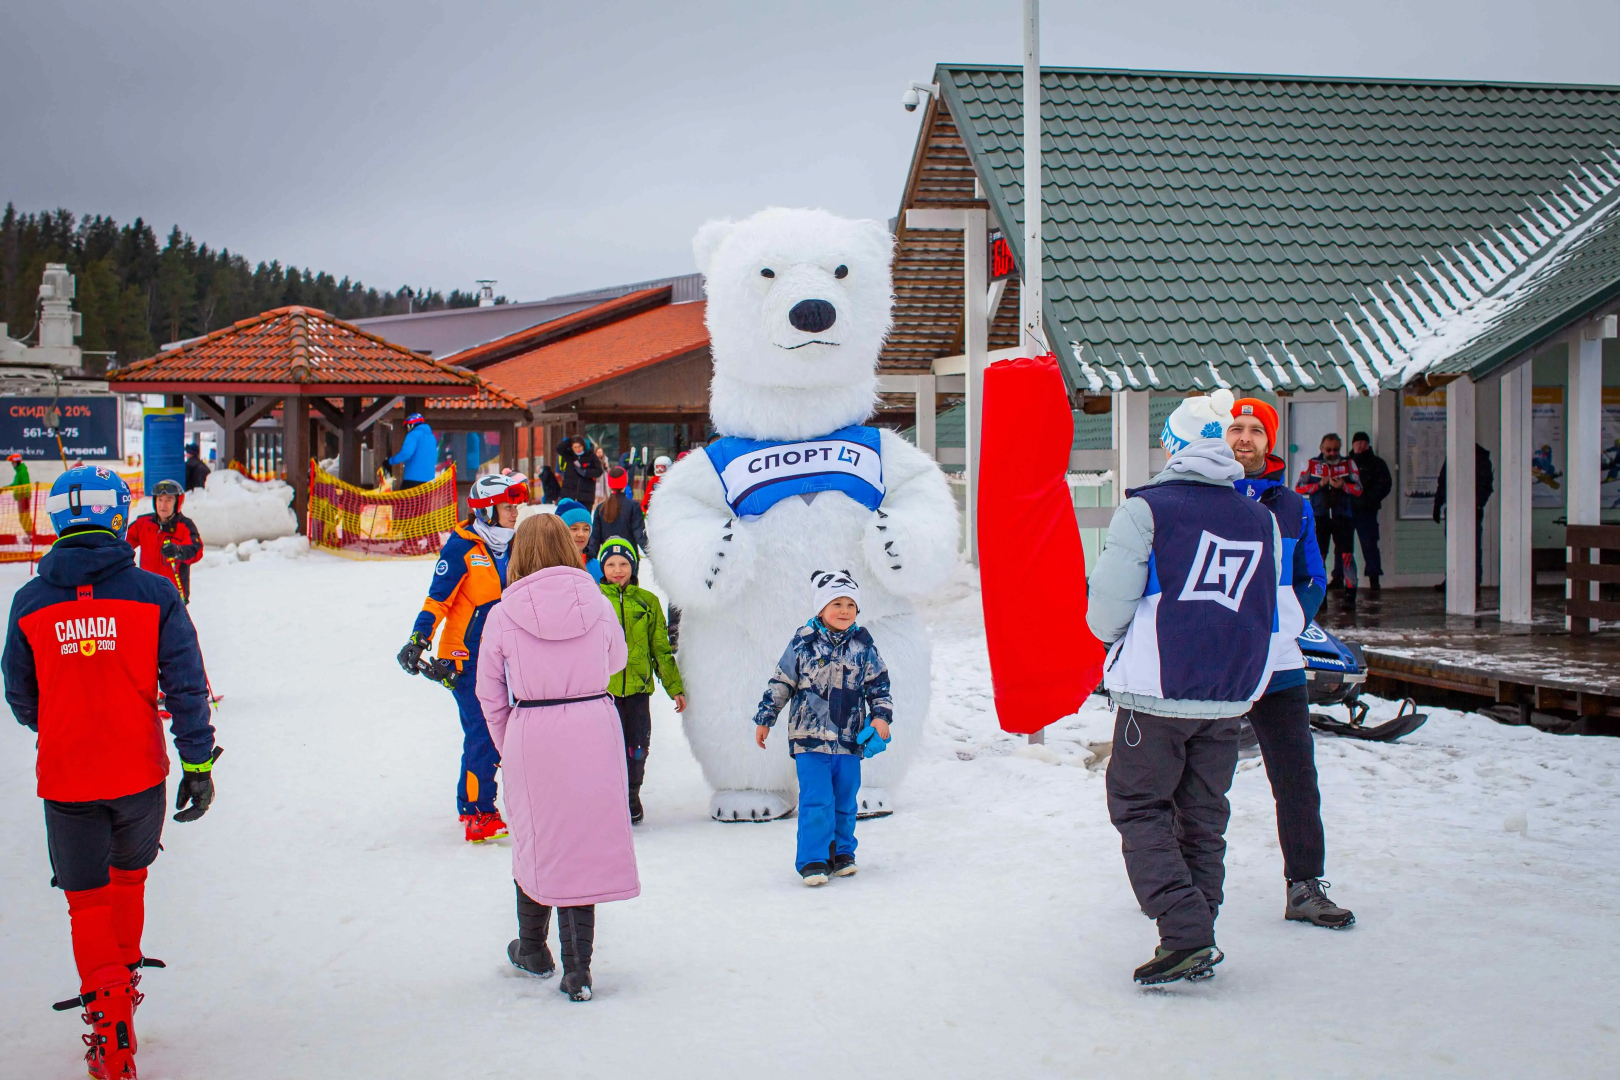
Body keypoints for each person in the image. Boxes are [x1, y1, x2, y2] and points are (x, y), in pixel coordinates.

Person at [3, 465, 217, 1080]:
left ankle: (109, 1027)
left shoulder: (29, 602)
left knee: (87, 903)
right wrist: (198, 764)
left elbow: (20, 694)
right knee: (128, 883)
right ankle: (122, 999)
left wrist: (63, 721)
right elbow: (187, 686)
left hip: (67, 775)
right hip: (138, 772)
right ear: (119, 516)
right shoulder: (154, 593)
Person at [1086, 391, 1281, 985]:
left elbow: (1107, 609)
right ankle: (1197, 929)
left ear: (1173, 445)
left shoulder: (1146, 509)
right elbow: (1268, 605)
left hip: (1157, 688)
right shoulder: (1261, 517)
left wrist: (1114, 641)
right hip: (1229, 691)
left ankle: (1185, 930)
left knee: (1138, 805)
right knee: (1203, 815)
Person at [476, 513, 639, 1002]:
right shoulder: (598, 602)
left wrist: (510, 743)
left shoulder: (502, 613)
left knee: (537, 838)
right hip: (594, 725)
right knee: (582, 843)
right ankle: (578, 970)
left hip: (534, 730)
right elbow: (617, 661)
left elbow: (488, 691)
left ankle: (532, 948)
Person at [1228, 400, 1354, 929]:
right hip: (1216, 668)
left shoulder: (1294, 506)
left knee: (1297, 777)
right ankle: (1177, 884)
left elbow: (1313, 578)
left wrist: (1284, 625)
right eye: (1236, 427)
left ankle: (1304, 886)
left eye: (1257, 430)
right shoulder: (1205, 496)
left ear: (1270, 440)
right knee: (1198, 779)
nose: (1245, 438)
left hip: (1278, 664)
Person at [397, 473, 527, 843]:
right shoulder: (462, 547)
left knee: (490, 731)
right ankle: (478, 812)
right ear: (486, 510)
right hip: (465, 659)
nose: (515, 512)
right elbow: (438, 599)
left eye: (516, 506)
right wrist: (419, 638)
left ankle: (468, 801)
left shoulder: (512, 546)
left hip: (502, 657)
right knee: (484, 732)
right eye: (507, 506)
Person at [753, 570, 893, 886]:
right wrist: (766, 717)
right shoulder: (803, 644)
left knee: (845, 800)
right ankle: (814, 859)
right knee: (817, 801)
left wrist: (881, 716)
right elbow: (781, 682)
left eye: (850, 605)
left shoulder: (863, 646)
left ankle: (842, 853)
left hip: (849, 740)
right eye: (836, 604)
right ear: (821, 608)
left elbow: (879, 686)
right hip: (810, 740)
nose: (844, 611)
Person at [598, 537, 685, 824]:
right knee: (606, 750)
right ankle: (611, 798)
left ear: (633, 566)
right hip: (603, 693)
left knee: (638, 748)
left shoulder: (648, 602)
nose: (618, 570)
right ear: (602, 567)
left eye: (624, 563)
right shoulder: (594, 601)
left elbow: (660, 648)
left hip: (638, 691)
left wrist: (674, 687)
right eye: (611, 564)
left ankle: (632, 794)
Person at [1295, 433, 1363, 602]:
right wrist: (1320, 485)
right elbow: (1299, 488)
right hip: (1320, 517)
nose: (1332, 453)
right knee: (1319, 557)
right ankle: (1320, 596)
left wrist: (1344, 486)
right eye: (1329, 450)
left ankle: (1350, 596)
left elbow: (1359, 489)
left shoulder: (1348, 463)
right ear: (1321, 448)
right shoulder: (1311, 464)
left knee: (1347, 556)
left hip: (1343, 517)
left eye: (1336, 450)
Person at [125, 479, 205, 603]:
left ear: (177, 502)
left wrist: (179, 551)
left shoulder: (184, 526)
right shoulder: (143, 523)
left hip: (173, 595)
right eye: (160, 500)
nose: (163, 505)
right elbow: (123, 543)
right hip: (147, 592)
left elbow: (197, 550)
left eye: (169, 500)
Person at [1433, 443, 1495, 593]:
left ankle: (1474, 581)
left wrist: (1477, 503)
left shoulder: (1479, 459)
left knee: (1472, 546)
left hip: (1470, 509)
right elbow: (1443, 481)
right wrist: (1438, 504)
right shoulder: (1459, 456)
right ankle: (1455, 579)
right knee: (1455, 546)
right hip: (1457, 507)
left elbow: (1486, 485)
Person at [1348, 432, 1392, 590]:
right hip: (1347, 510)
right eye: (1357, 443)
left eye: (1363, 443)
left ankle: (1374, 580)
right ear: (1352, 445)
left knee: (1369, 544)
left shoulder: (1377, 463)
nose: (1360, 446)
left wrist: (1368, 500)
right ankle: (1341, 577)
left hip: (1367, 510)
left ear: (1368, 445)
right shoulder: (1346, 463)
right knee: (1344, 547)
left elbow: (1384, 484)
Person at [587, 467, 649, 560]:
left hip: (608, 557)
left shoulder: (601, 508)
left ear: (609, 484)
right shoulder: (633, 506)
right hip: (629, 557)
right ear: (625, 482)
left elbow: (595, 539)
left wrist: (588, 559)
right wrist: (653, 556)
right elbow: (640, 536)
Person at [388, 413, 439, 489]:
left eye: (407, 426)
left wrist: (390, 461)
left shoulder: (413, 434)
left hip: (413, 480)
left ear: (411, 425)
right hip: (429, 482)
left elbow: (406, 453)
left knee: (405, 497)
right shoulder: (432, 437)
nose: (407, 429)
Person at [556, 498, 601, 581]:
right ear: (560, 532)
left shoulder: (595, 566)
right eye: (574, 529)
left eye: (586, 529)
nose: (581, 534)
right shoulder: (551, 565)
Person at [554, 435, 602, 509]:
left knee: (583, 515)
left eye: (579, 446)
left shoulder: (591, 456)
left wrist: (586, 472)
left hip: (586, 495)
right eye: (575, 447)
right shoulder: (570, 455)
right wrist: (570, 440)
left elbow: (599, 471)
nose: (577, 449)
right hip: (569, 493)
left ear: (583, 446)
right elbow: (559, 449)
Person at [7, 452, 33, 536]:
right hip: (20, 497)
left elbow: (26, 484)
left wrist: (26, 497)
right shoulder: (19, 472)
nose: (12, 464)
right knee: (23, 518)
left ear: (17, 462)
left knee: (25, 518)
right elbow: (15, 484)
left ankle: (31, 535)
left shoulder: (22, 471)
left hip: (23, 498)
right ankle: (30, 535)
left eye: (13, 462)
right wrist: (5, 488)